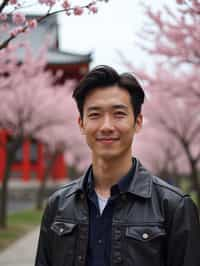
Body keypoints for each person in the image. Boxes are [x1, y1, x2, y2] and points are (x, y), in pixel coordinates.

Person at [35, 65, 200, 266]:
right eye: (95, 115)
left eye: (119, 114)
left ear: (138, 122)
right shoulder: (58, 204)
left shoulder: (174, 207)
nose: (106, 126)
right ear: (81, 124)